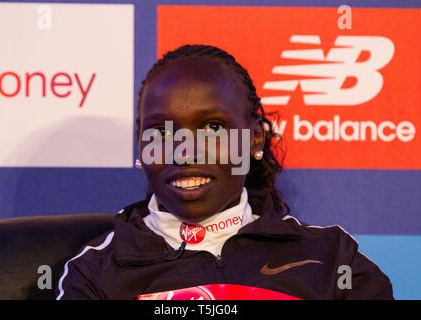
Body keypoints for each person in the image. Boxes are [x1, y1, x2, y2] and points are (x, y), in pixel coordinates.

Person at [56, 44, 393, 300]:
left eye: (213, 128)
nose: (184, 151)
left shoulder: (332, 258)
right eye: (161, 131)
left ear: (255, 138)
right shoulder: (95, 274)